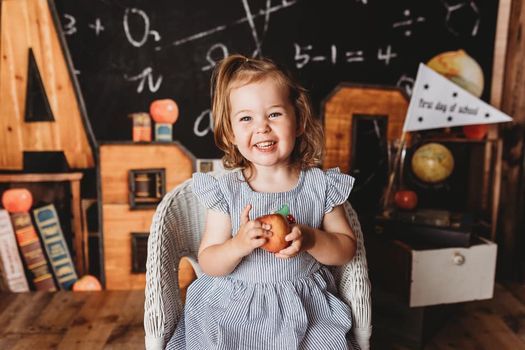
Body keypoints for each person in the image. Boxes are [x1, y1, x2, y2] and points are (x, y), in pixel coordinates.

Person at [169, 54, 357, 349]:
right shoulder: (226, 190)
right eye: (246, 118)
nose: (262, 127)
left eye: (274, 114)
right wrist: (238, 245)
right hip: (234, 309)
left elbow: (347, 249)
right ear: (231, 133)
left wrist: (311, 239)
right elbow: (208, 262)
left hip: (303, 308)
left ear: (298, 121)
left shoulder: (320, 185)